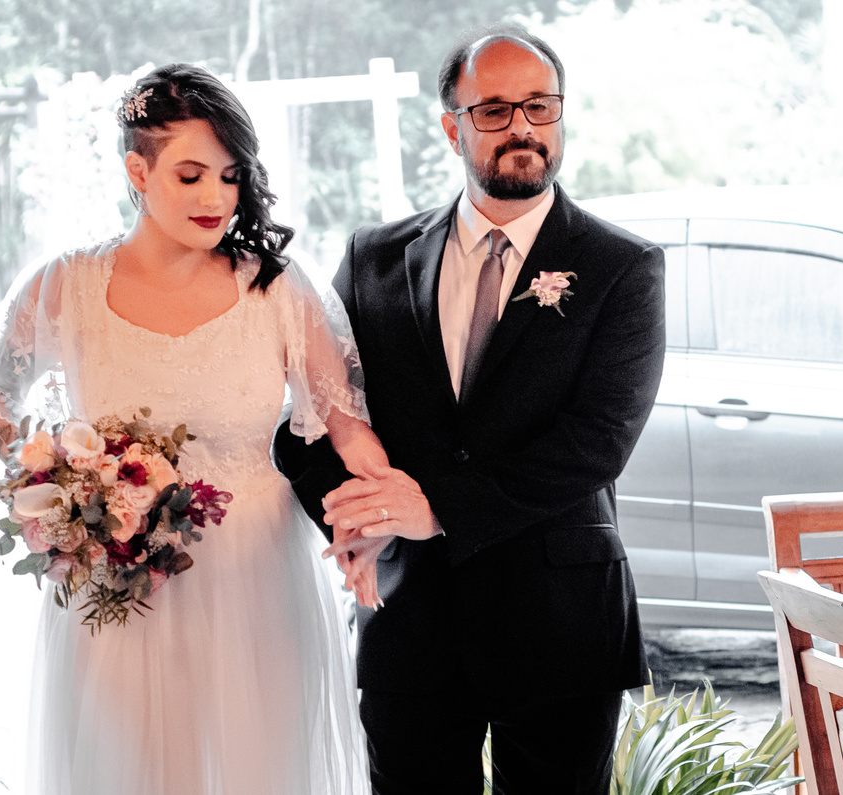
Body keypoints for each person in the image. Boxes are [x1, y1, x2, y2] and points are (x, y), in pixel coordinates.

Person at [274, 22, 667, 795]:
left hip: (560, 624)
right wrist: (356, 519)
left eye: (539, 106)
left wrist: (434, 507)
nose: (521, 127)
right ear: (450, 123)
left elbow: (598, 441)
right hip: (409, 617)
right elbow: (310, 419)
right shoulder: (373, 259)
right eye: (493, 109)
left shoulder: (623, 267)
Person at [0, 63, 378, 795]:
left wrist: (370, 521)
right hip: (118, 595)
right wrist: (62, 491)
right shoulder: (65, 285)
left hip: (257, 585)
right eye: (191, 174)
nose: (217, 198)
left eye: (230, 176)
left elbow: (349, 432)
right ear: (138, 168)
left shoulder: (277, 290)